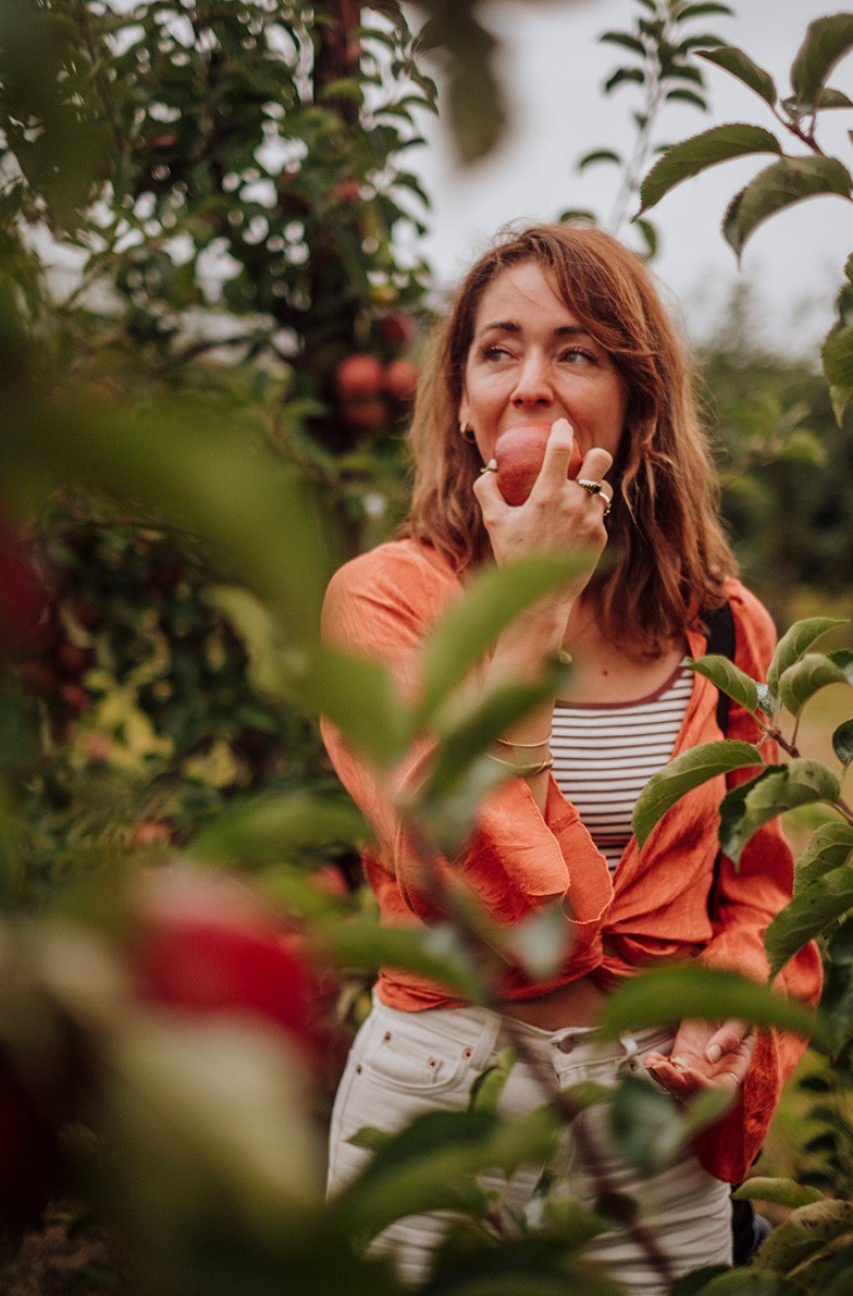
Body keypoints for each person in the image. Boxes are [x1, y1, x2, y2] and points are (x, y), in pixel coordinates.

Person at [320, 223, 821, 1292]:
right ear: (459, 400)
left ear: (637, 406)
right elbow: (492, 899)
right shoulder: (386, 603)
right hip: (434, 1104)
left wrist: (728, 998)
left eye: (577, 352)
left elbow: (760, 893)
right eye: (498, 350)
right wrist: (531, 610)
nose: (532, 384)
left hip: (651, 1123)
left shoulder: (724, 629)